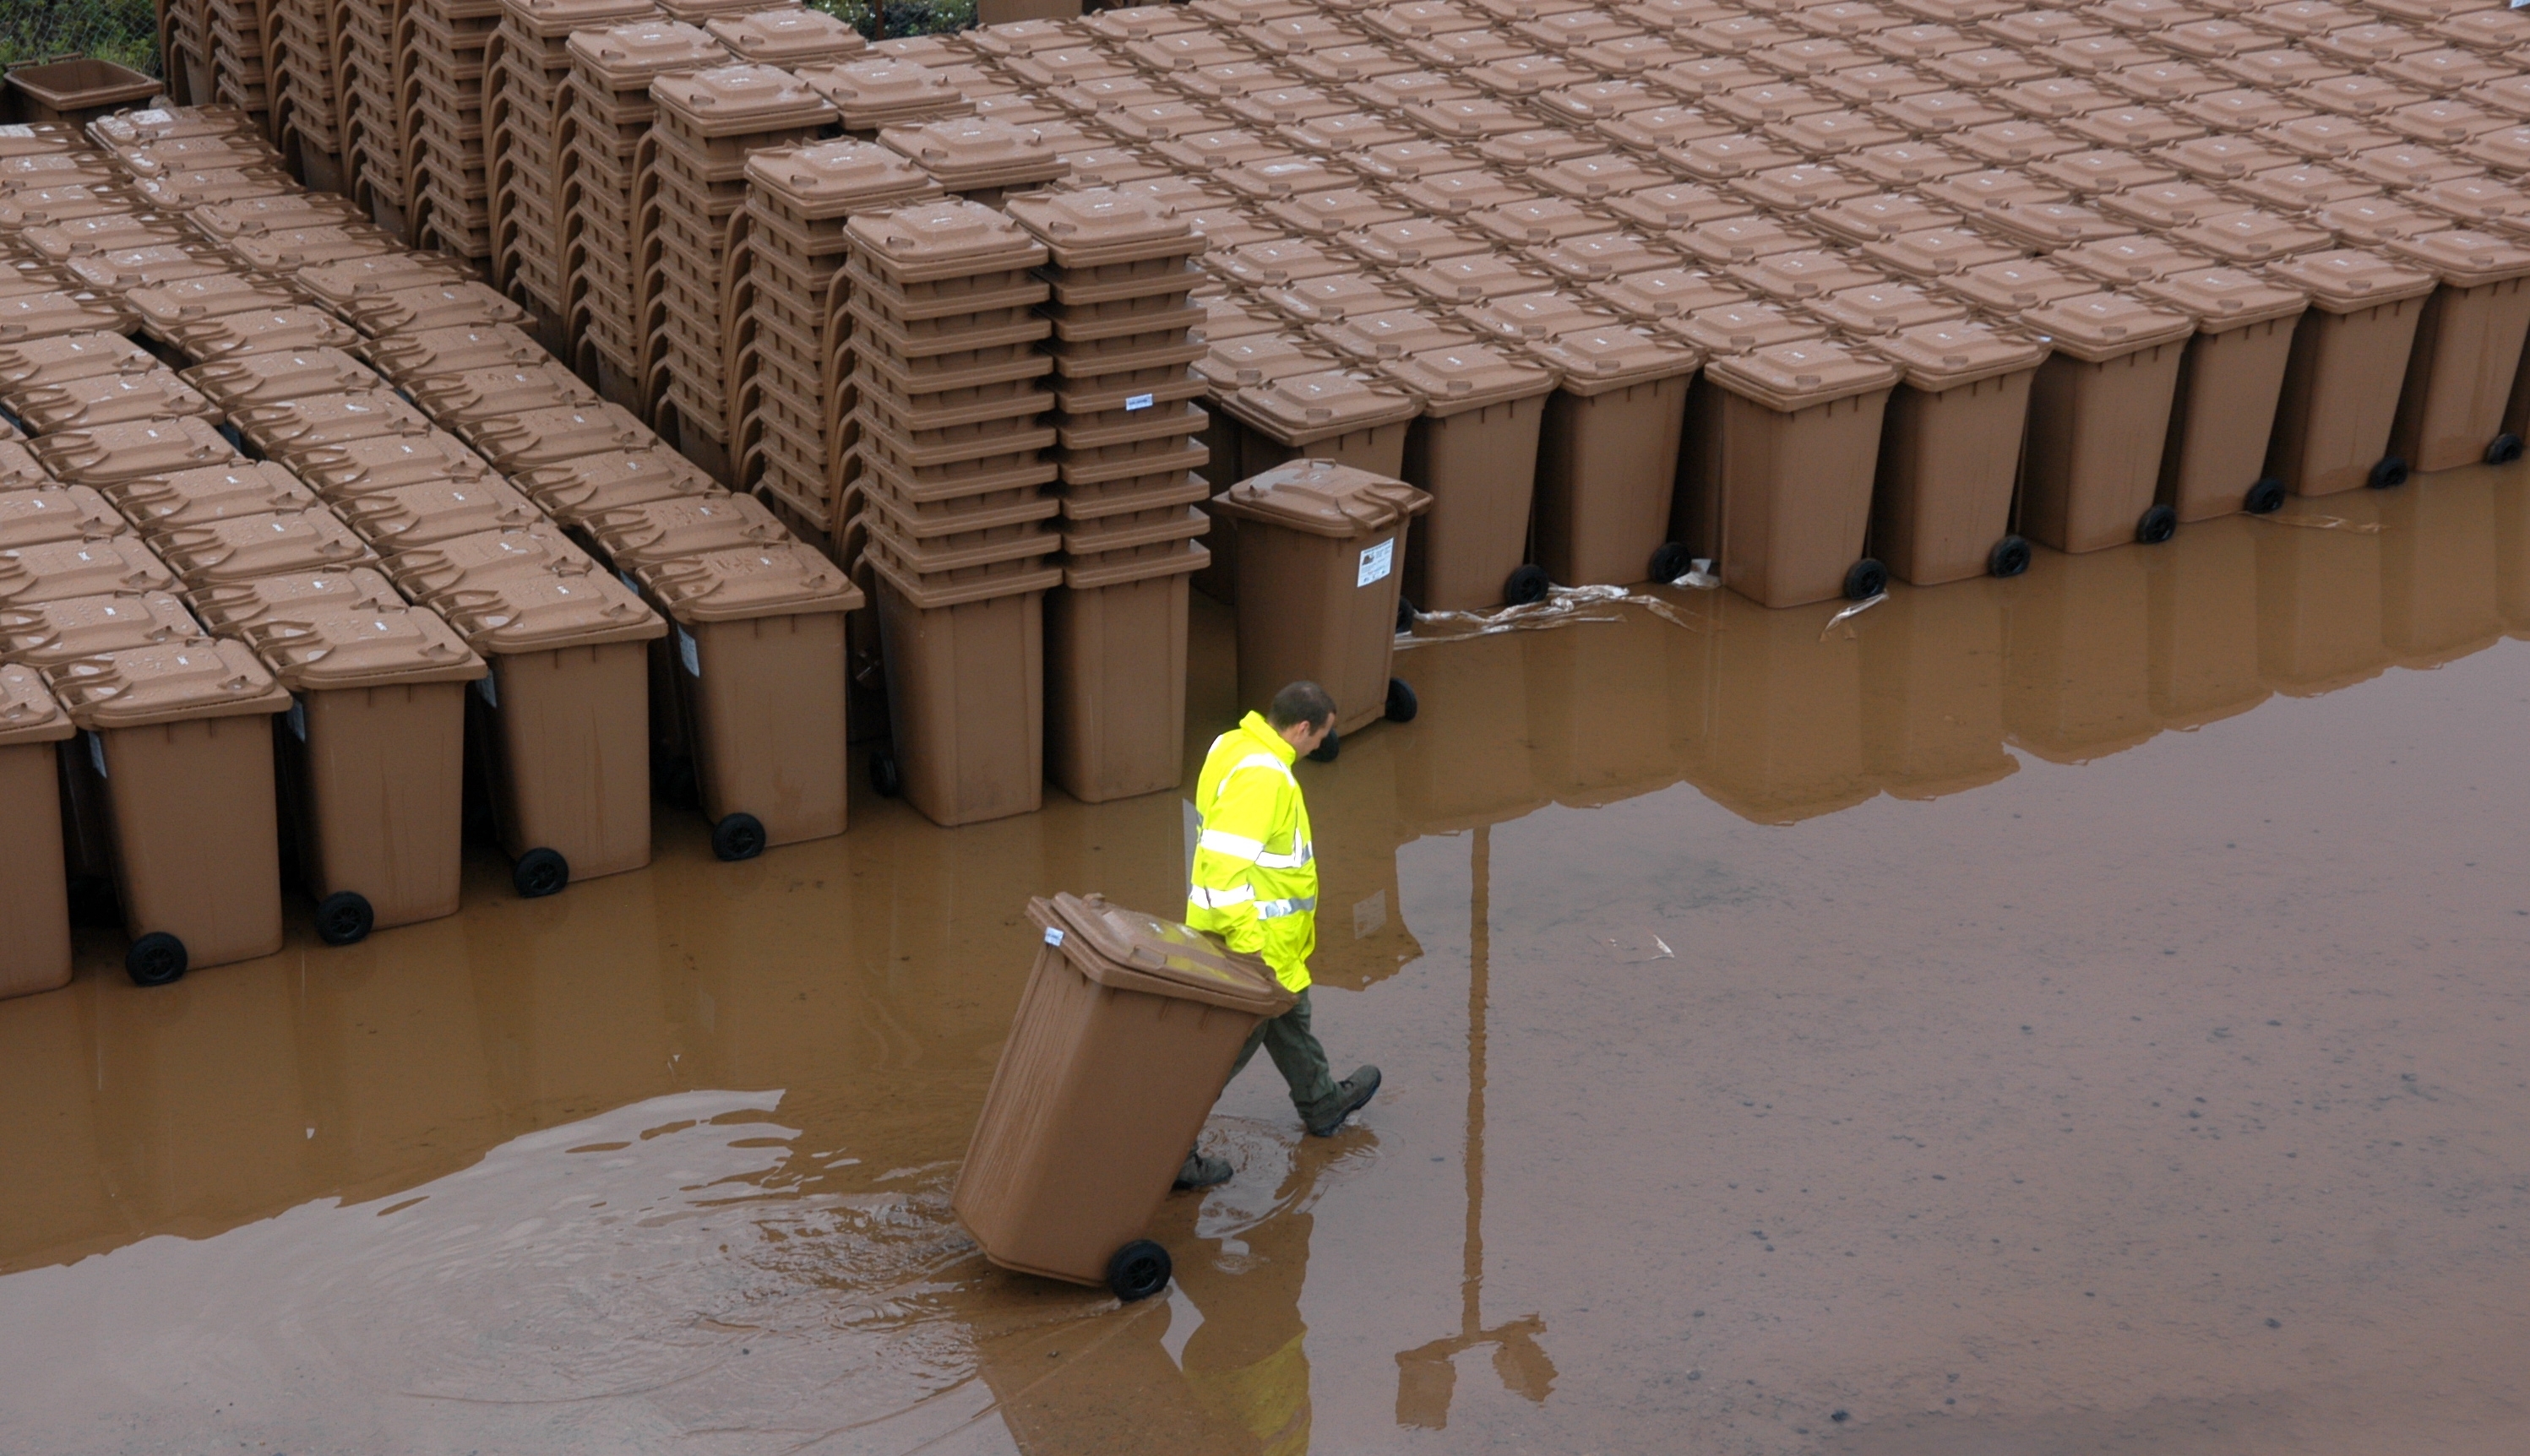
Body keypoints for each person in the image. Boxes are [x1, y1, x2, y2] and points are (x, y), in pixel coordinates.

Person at [1178, 680, 1381, 1191]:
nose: (1321, 748)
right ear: (1301, 728)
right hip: (1256, 947)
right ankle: (1171, 1149)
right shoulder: (1266, 780)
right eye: (1320, 738)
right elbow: (1222, 872)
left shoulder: (1232, 745)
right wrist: (1251, 953)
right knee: (1220, 1057)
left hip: (1271, 947)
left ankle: (1322, 1104)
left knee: (1292, 1021)